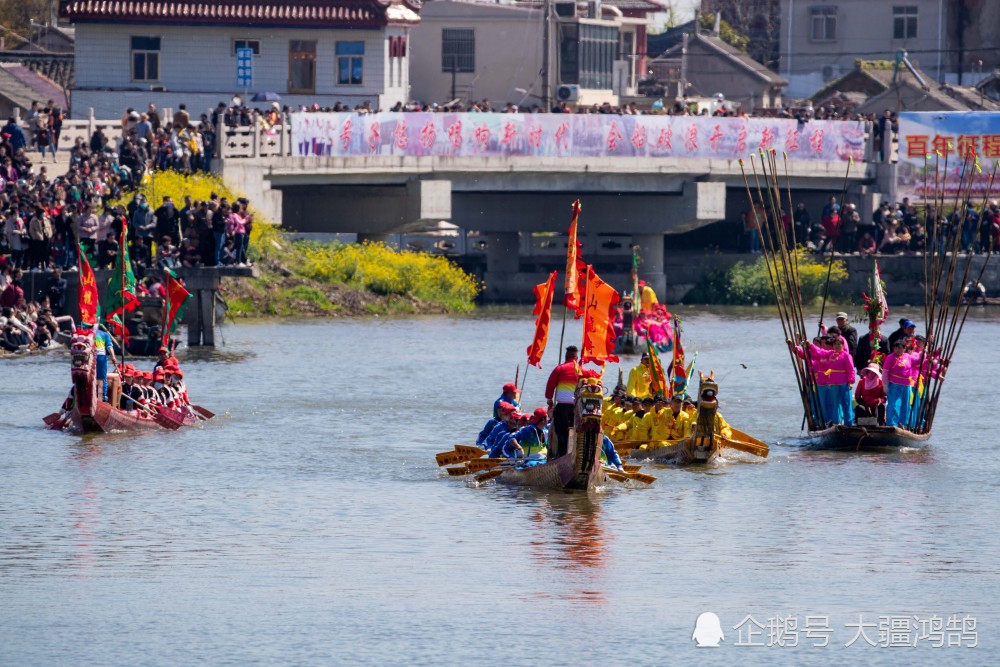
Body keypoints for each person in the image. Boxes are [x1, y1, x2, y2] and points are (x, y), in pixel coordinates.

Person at [544, 345, 598, 458]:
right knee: (575, 431)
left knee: (561, 431)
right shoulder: (580, 370)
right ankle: (574, 454)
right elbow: (595, 375)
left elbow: (550, 386)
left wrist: (549, 399)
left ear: (566, 356)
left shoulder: (559, 368)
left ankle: (562, 454)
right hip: (576, 407)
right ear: (576, 357)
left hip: (562, 406)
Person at [882, 339, 916, 428]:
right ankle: (892, 424)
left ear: (904, 349)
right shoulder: (890, 357)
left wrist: (926, 353)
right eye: (896, 348)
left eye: (900, 348)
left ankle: (903, 424)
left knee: (905, 405)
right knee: (894, 404)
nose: (898, 350)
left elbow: (919, 361)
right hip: (894, 385)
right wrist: (885, 384)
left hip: (906, 385)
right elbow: (885, 372)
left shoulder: (908, 357)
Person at [94, 326, 118, 401]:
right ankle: (103, 396)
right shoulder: (104, 334)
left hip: (89, 357)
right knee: (102, 378)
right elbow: (109, 347)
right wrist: (113, 357)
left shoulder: (86, 332)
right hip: (101, 357)